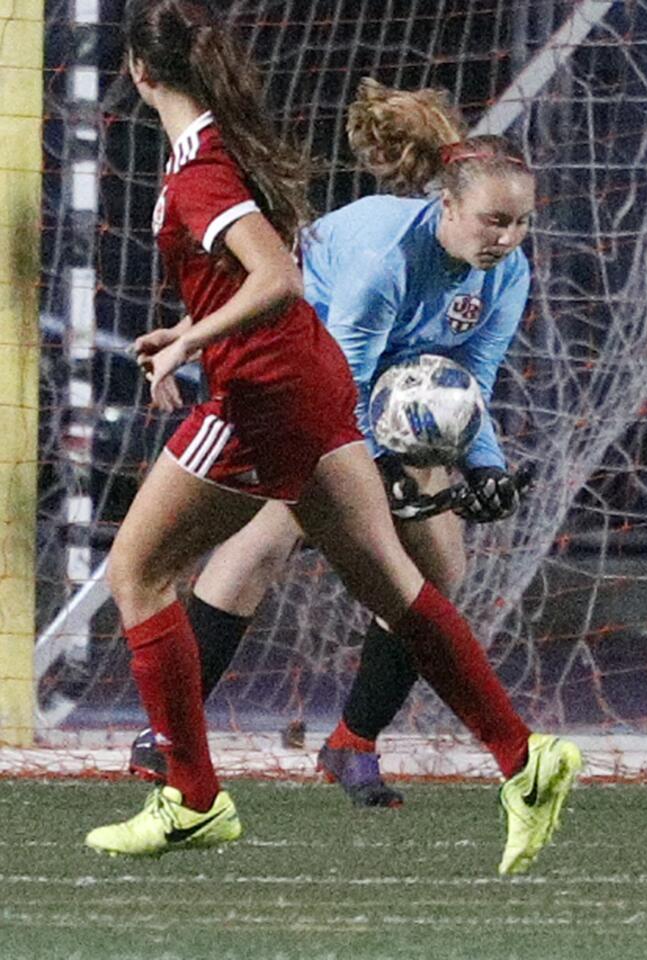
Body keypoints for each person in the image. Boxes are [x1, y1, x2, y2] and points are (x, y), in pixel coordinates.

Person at [85, 0, 581, 878]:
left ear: (138, 73)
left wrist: (190, 340)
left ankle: (190, 795)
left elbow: (274, 273)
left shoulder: (197, 169)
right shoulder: (225, 141)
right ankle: (524, 757)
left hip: (263, 395)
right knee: (399, 581)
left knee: (139, 572)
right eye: (494, 223)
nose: (508, 241)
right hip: (314, 381)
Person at [129, 78, 539, 808]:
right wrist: (380, 469)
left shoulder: (508, 273)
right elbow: (336, 376)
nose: (504, 239)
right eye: (491, 221)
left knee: (439, 563)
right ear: (443, 206)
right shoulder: (384, 258)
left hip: (381, 407)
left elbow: (473, 373)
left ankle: (353, 741)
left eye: (518, 224)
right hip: (296, 380)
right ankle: (165, 740)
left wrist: (485, 464)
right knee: (262, 542)